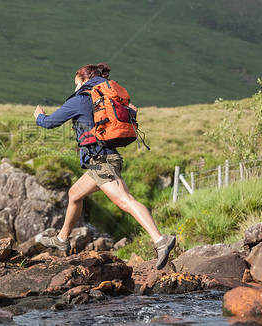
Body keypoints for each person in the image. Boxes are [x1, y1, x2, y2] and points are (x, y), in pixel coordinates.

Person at [34, 63, 175, 270]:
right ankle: (62, 238)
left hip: (102, 162)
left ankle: (160, 240)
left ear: (83, 81)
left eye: (76, 83)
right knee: (74, 194)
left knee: (126, 201)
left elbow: (49, 123)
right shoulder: (110, 98)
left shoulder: (81, 99)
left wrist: (39, 116)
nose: (74, 88)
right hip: (104, 159)